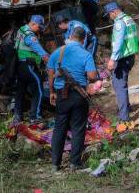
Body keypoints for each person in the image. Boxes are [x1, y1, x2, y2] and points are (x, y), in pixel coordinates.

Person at [47, 26, 98, 171]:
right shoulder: (85, 54)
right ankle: (74, 163)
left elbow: (50, 73)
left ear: (70, 37)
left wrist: (51, 92)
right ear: (83, 40)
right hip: (78, 95)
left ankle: (55, 164)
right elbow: (92, 76)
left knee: (59, 128)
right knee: (78, 128)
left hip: (61, 94)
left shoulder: (58, 52)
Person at [104, 2, 139, 122]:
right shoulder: (128, 18)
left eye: (109, 14)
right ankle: (127, 108)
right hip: (130, 56)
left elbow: (118, 43)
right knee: (122, 84)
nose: (109, 17)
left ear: (113, 11)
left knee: (119, 86)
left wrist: (112, 59)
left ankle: (124, 118)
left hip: (122, 58)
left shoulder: (119, 23)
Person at [13, 15, 49, 124]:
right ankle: (35, 117)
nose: (40, 30)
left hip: (19, 66)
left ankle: (17, 117)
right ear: (33, 24)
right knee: (38, 90)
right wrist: (50, 60)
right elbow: (40, 51)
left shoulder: (21, 29)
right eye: (39, 27)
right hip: (28, 66)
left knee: (20, 91)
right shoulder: (29, 35)